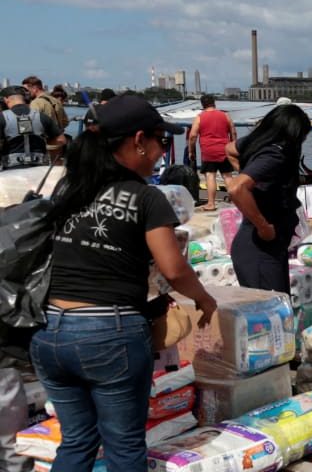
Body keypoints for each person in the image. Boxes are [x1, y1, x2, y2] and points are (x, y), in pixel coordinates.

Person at [34, 95, 216, 471]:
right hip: (109, 334)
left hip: (49, 331)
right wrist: (205, 300)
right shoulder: (145, 197)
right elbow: (174, 269)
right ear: (137, 141)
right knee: (125, 447)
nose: (161, 152)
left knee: (77, 442)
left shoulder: (68, 189)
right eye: (160, 142)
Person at [226, 104, 311, 292]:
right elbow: (236, 188)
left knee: (277, 308)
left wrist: (250, 174)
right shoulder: (275, 155)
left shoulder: (258, 143)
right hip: (260, 249)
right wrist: (263, 226)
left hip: (266, 248)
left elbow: (230, 148)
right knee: (271, 312)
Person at [187, 95, 237, 211]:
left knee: (210, 175)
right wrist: (233, 145)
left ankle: (211, 204)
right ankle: (235, 202)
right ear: (214, 103)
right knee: (227, 176)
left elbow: (193, 136)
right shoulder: (225, 115)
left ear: (202, 105)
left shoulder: (200, 117)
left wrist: (191, 150)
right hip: (225, 149)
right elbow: (233, 132)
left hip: (208, 151)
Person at [1, 86, 64, 169]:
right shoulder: (41, 116)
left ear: (6, 99)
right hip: (39, 168)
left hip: (11, 169)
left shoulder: (3, 117)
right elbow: (61, 140)